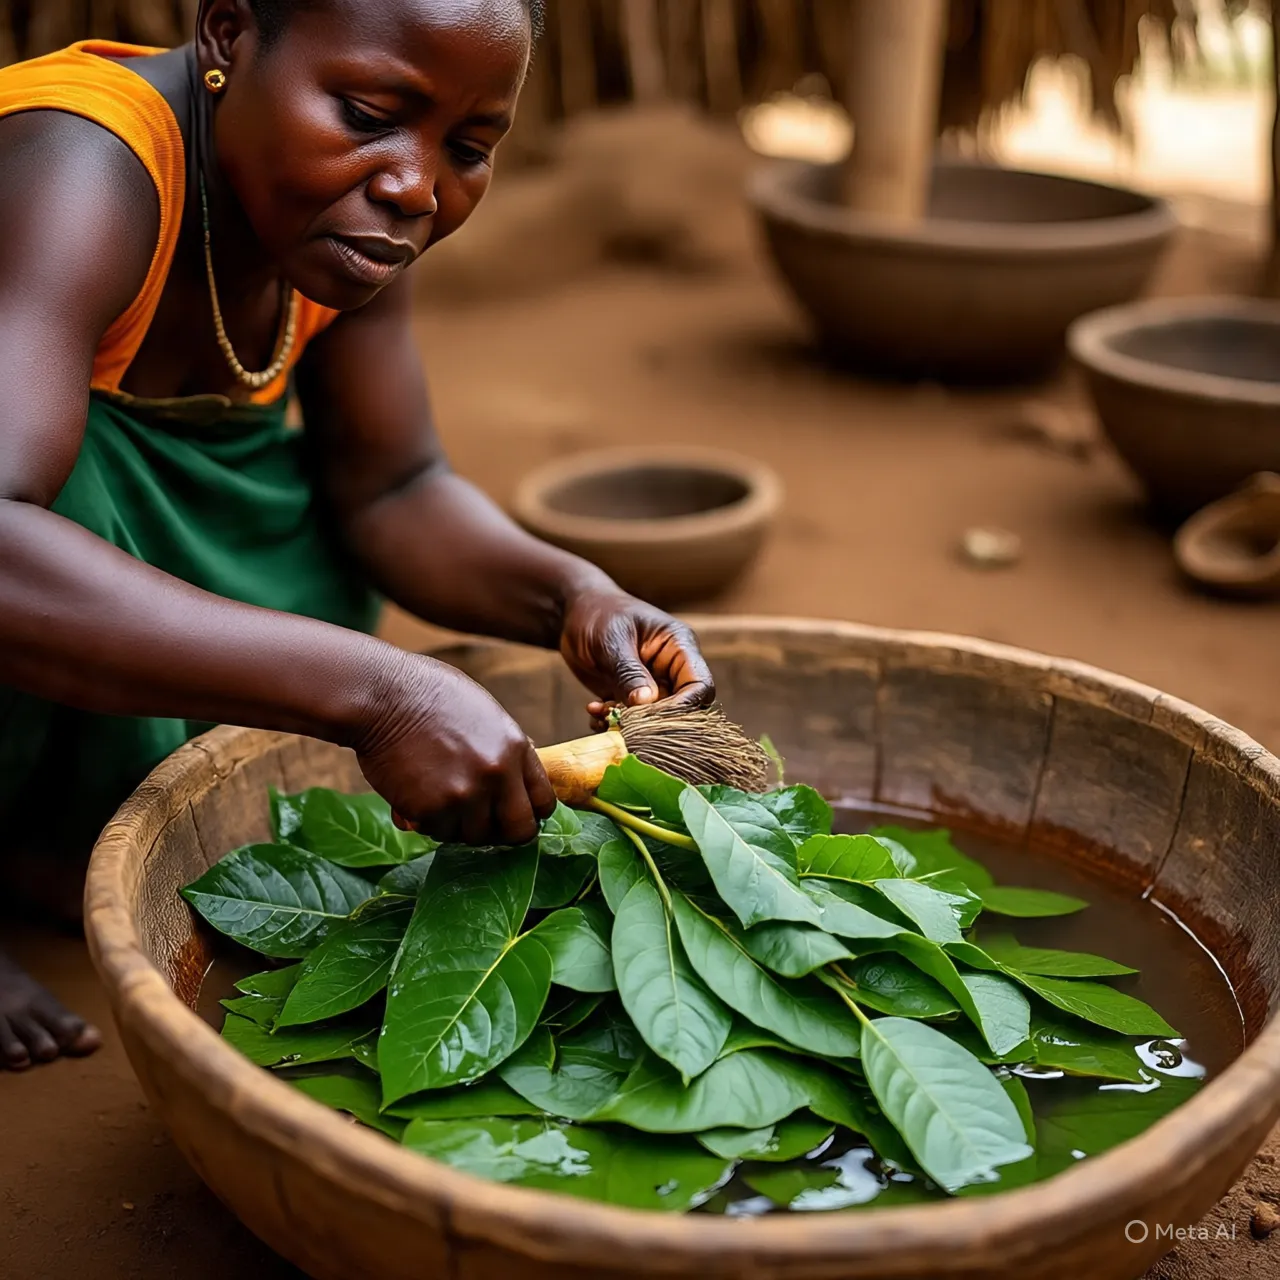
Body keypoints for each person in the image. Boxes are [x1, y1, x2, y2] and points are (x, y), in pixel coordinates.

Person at [0, 0, 715, 1071]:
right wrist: (384, 694)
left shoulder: (349, 218)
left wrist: (572, 594)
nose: (416, 185)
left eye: (468, 148)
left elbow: (392, 486)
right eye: (370, 113)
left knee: (298, 521)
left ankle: (53, 823)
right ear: (229, 39)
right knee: (60, 504)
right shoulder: (81, 165)